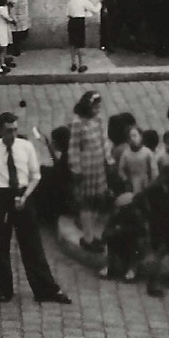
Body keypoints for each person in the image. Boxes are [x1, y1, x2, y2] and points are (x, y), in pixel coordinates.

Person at [0, 111, 72, 305]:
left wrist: (25, 195)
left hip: (23, 196)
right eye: (8, 131)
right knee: (1, 245)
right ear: (1, 131)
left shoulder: (25, 147)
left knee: (32, 245)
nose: (12, 135)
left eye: (14, 130)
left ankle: (45, 289)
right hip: (1, 198)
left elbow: (35, 175)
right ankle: (5, 290)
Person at [66, 91, 111, 250]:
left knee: (97, 200)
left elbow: (104, 140)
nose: (97, 109)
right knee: (86, 202)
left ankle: (92, 234)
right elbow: (73, 148)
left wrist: (108, 158)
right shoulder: (78, 123)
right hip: (86, 167)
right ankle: (88, 238)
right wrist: (76, 168)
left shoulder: (98, 120)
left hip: (98, 166)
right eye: (94, 106)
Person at [101, 190, 149, 285]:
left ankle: (132, 269)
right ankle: (109, 266)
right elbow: (106, 230)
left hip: (133, 243)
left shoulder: (137, 215)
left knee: (136, 243)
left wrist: (122, 229)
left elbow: (142, 232)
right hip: (120, 241)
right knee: (110, 241)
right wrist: (111, 232)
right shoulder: (116, 215)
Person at [66, 0, 97, 73]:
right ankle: (81, 65)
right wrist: (100, 2)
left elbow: (67, 13)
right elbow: (94, 10)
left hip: (71, 22)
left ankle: (73, 63)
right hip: (79, 22)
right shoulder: (84, 0)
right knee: (80, 44)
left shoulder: (71, 1)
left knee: (72, 44)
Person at [119, 128, 160, 196]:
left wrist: (152, 182)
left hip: (145, 181)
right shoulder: (126, 154)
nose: (132, 139)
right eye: (130, 137)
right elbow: (121, 169)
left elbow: (153, 169)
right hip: (132, 181)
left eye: (134, 136)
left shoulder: (147, 152)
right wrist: (126, 179)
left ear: (141, 137)